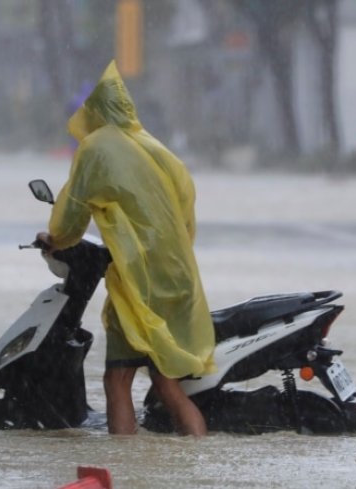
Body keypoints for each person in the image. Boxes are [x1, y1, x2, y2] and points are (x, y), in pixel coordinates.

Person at [37, 61, 215, 436]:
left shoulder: (97, 149)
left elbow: (72, 216)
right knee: (167, 384)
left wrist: (54, 241)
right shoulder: (157, 149)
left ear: (95, 113)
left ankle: (124, 467)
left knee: (117, 382)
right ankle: (199, 458)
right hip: (179, 276)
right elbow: (185, 210)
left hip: (139, 281)